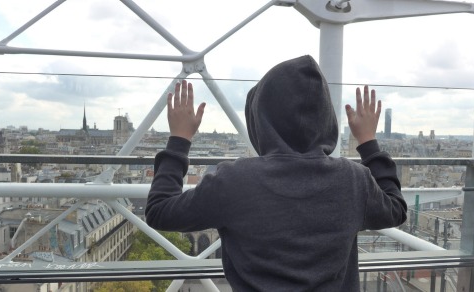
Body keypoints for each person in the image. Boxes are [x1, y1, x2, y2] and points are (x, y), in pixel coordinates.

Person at [146, 55, 407, 291]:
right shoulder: (353, 180)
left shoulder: (234, 181)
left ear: (261, 120)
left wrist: (179, 139)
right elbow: (395, 209)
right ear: (326, 119)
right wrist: (368, 143)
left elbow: (160, 212)